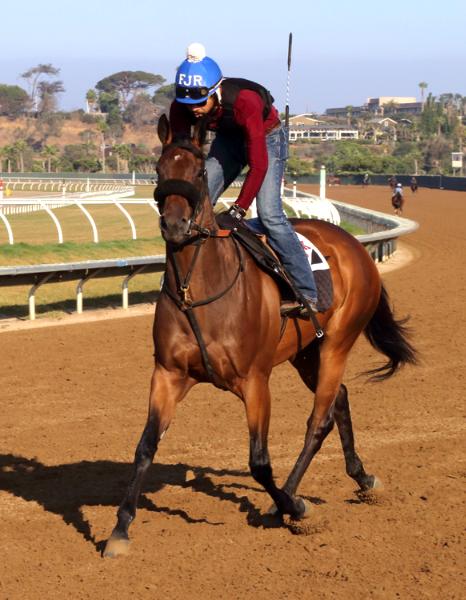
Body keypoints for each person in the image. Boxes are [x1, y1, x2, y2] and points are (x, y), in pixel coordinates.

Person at [169, 43, 318, 317]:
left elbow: (258, 165)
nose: (194, 111)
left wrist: (239, 208)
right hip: (229, 140)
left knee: (270, 214)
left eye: (200, 104)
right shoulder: (182, 107)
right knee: (194, 206)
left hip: (267, 138)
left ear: (216, 92)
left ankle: (306, 290)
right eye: (188, 105)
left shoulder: (245, 101)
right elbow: (181, 151)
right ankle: (187, 280)